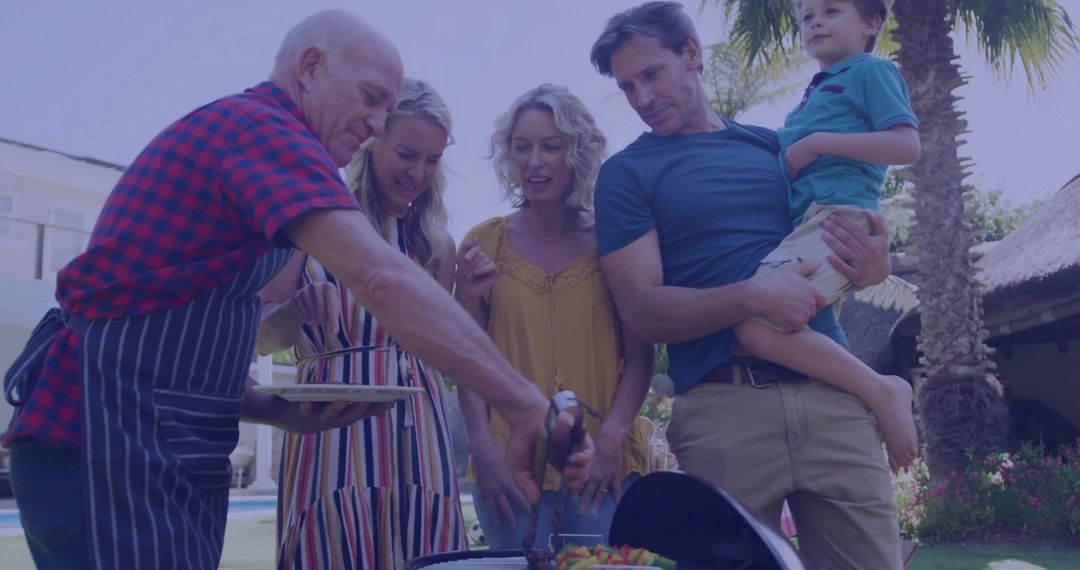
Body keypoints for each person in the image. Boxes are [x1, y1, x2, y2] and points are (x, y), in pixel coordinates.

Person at [1, 11, 590, 570]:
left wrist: (272, 409)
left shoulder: (275, 166)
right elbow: (380, 277)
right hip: (109, 437)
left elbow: (198, 316)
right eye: (370, 98)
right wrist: (527, 407)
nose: (377, 125)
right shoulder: (261, 129)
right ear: (309, 68)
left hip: (161, 445)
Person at [589, 2, 902, 568]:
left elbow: (823, 250)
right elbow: (640, 313)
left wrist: (871, 266)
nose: (640, 98)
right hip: (722, 411)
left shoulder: (776, 148)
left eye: (650, 75)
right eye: (627, 86)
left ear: (691, 53)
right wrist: (753, 296)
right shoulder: (626, 176)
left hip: (834, 399)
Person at [257, 78, 465, 569]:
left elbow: (444, 348)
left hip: (422, 428)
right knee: (330, 546)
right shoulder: (310, 222)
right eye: (407, 154)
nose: (419, 173)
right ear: (372, 144)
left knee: (427, 550)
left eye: (432, 160)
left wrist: (469, 297)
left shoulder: (435, 246)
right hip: (331, 424)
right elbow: (262, 334)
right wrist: (296, 309)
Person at [455, 84, 653, 549]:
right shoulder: (485, 243)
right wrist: (481, 447)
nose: (534, 161)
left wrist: (612, 441)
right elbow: (464, 358)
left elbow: (642, 352)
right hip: (504, 465)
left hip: (602, 465)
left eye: (551, 146)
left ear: (578, 152)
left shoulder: (615, 239)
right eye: (521, 147)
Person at [731, 0, 920, 473]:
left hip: (838, 222)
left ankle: (885, 389)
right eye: (806, 15)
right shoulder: (813, 92)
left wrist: (818, 143)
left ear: (871, 24)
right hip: (810, 224)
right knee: (803, 335)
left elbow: (907, 145)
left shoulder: (871, 71)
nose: (815, 21)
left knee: (754, 320)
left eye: (832, 10)